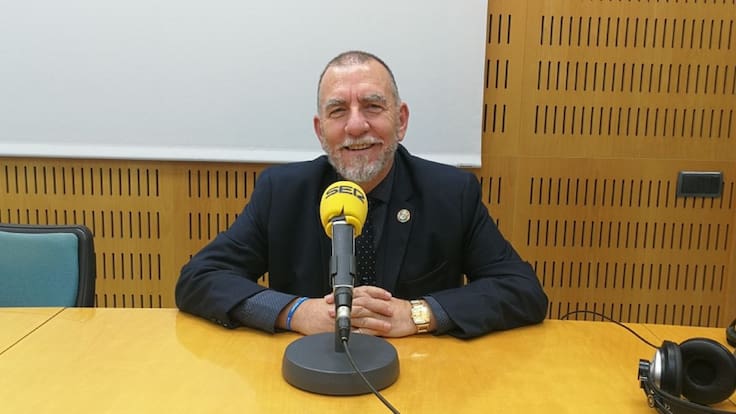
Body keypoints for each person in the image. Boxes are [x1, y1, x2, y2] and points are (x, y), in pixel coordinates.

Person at [175, 50, 548, 339]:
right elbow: (199, 278)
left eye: (372, 106)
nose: (355, 126)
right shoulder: (282, 192)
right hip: (307, 377)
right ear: (320, 131)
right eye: (338, 111)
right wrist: (294, 312)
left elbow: (522, 291)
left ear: (400, 121)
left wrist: (420, 313)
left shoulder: (451, 193)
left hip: (421, 376)